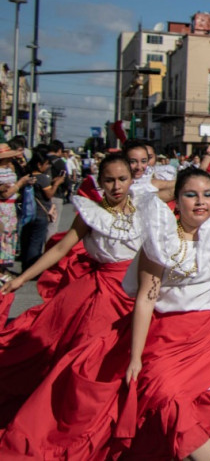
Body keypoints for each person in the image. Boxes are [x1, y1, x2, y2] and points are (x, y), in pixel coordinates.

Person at [0, 167, 210, 459]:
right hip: (166, 336)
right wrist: (136, 357)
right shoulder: (160, 241)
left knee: (203, 405)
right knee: (164, 395)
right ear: (177, 200)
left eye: (208, 194)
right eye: (191, 195)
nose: (201, 202)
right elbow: (145, 299)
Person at [0, 154, 141, 423]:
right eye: (109, 180)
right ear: (100, 182)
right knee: (84, 356)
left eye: (122, 179)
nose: (116, 186)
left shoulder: (148, 210)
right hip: (102, 294)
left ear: (132, 179)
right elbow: (62, 248)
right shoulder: (91, 214)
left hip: (139, 292)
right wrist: (22, 278)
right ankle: (75, 416)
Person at [19, 146, 64, 270]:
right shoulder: (42, 178)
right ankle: (32, 268)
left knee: (26, 239)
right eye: (46, 164)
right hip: (40, 213)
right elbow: (49, 195)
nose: (47, 167)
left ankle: (25, 265)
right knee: (36, 242)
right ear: (39, 165)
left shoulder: (27, 175)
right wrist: (56, 184)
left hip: (28, 212)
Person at [0, 144, 28, 276]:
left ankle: (4, 266)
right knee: (3, 236)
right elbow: (5, 193)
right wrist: (19, 184)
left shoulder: (9, 169)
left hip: (10, 207)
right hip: (3, 207)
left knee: (9, 235)